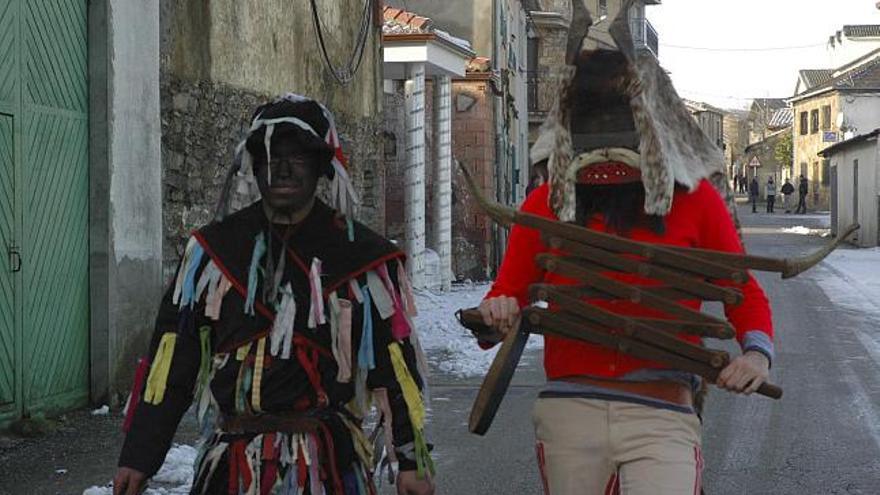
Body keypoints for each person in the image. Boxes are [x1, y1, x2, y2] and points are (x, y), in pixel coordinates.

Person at [475, 5, 775, 492]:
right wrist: (498, 313)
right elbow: (505, 297)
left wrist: (757, 354)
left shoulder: (695, 203)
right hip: (569, 408)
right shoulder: (544, 204)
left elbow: (743, 293)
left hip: (663, 411)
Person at [113, 95, 435, 495]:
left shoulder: (361, 256)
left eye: (297, 156)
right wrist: (139, 456)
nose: (282, 169)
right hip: (233, 471)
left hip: (327, 469)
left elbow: (394, 365)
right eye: (270, 156)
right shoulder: (213, 252)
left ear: (321, 166)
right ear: (255, 166)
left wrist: (412, 459)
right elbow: (173, 359)